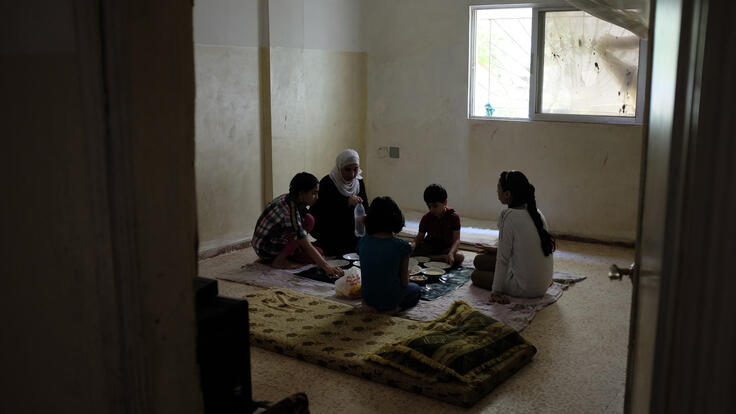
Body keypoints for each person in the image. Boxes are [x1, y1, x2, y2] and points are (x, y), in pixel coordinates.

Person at [471, 171, 555, 303]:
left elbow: (503, 260)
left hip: (525, 288)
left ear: (507, 194)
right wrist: (494, 250)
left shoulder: (510, 216)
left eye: (498, 187)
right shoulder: (537, 213)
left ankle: (501, 287)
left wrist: (496, 292)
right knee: (479, 261)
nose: (496, 190)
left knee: (476, 275)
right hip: (543, 285)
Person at [252, 172, 344, 278]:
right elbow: (304, 242)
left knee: (313, 232)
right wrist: (327, 267)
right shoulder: (290, 210)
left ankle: (283, 255)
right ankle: (279, 260)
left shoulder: (292, 199)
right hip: (266, 248)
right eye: (314, 193)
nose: (317, 197)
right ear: (301, 194)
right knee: (314, 255)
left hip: (267, 243)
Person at [357, 196, 421, 313]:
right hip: (390, 300)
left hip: (368, 298)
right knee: (415, 290)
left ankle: (372, 307)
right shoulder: (402, 246)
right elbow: (404, 282)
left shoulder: (363, 241)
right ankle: (394, 308)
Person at [310, 149, 369, 256]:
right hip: (331, 230)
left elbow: (365, 206)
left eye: (355, 169)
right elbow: (324, 211)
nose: (352, 174)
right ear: (339, 167)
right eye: (347, 169)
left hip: (352, 231)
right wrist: (346, 202)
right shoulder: (327, 182)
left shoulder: (359, 182)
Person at [412, 184, 465, 267]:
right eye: (429, 206)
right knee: (409, 251)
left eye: (435, 206)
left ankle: (433, 258)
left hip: (445, 248)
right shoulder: (426, 217)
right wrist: (413, 245)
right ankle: (441, 258)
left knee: (459, 256)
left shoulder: (454, 217)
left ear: (445, 202)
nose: (432, 209)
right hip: (429, 247)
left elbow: (456, 240)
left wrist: (451, 253)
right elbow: (419, 237)